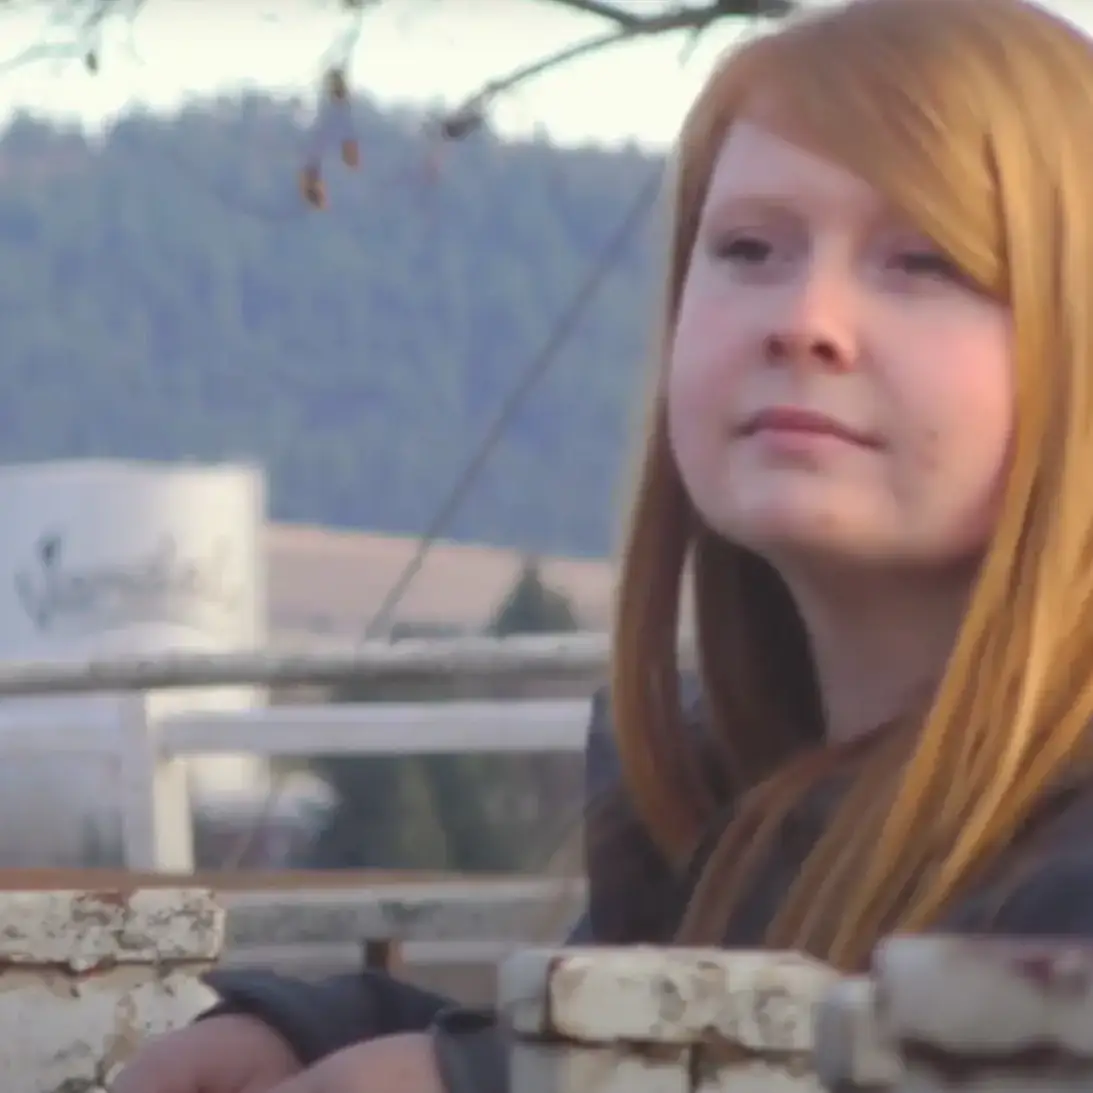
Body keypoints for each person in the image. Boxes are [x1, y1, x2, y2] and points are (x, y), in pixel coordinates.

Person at [114, 0, 1093, 1089]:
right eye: (749, 247)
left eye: (922, 261)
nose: (805, 317)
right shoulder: (716, 802)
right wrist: (323, 1034)